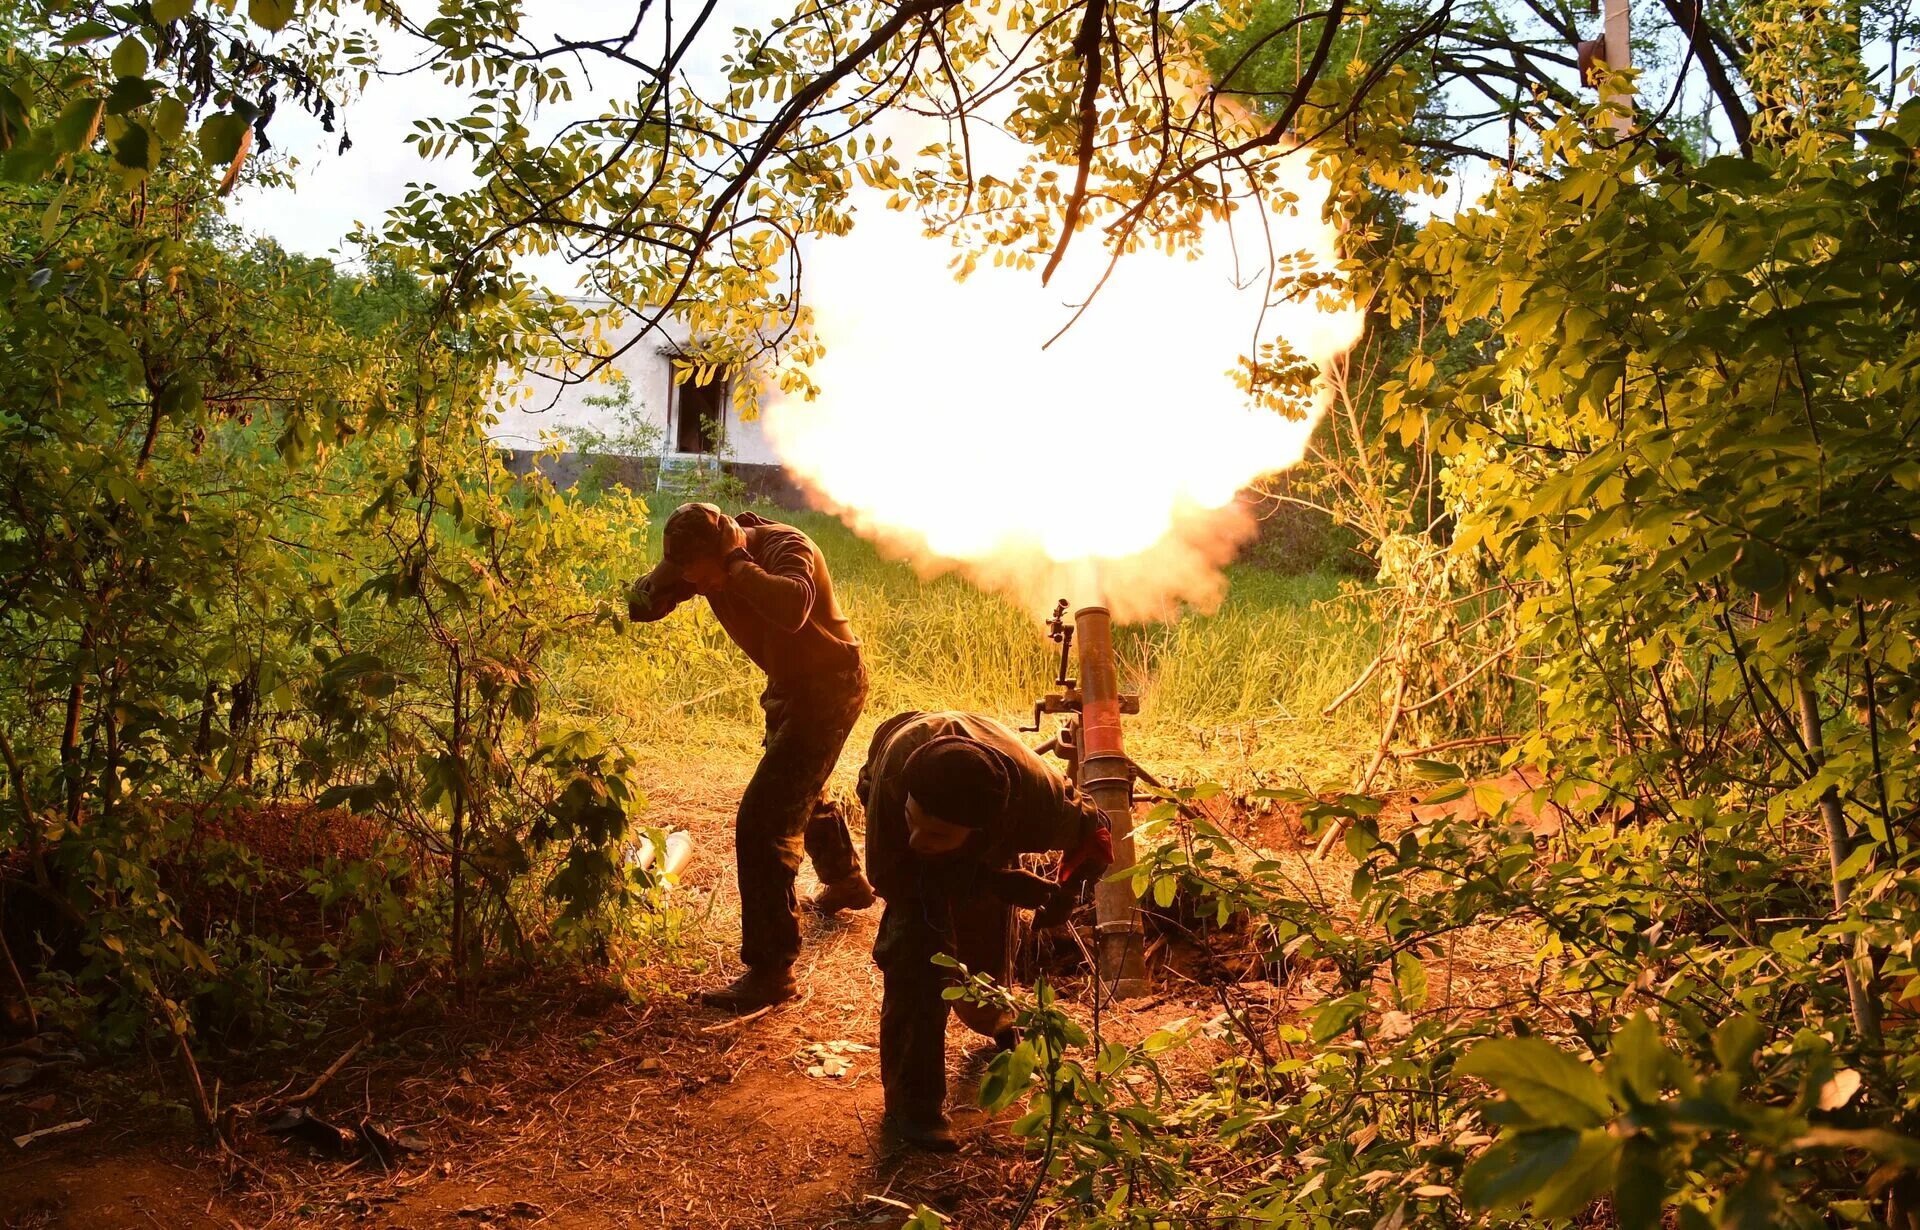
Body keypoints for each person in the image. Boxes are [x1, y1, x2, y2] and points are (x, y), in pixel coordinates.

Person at [628, 503, 878, 1012]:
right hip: (788, 686)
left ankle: (772, 970)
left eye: (703, 576)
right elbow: (641, 606)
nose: (699, 586)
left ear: (727, 551)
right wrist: (667, 575)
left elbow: (792, 608)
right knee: (803, 792)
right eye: (690, 576)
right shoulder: (697, 564)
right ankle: (848, 882)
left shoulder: (786, 546)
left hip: (831, 685)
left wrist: (738, 566)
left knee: (765, 819)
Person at [857, 710, 1113, 1151]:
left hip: (989, 812)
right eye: (913, 820)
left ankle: (995, 1015)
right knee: (917, 944)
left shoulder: (1041, 808)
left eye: (936, 834)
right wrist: (991, 880)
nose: (918, 838)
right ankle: (913, 1106)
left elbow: (1098, 833)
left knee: (986, 922)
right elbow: (894, 876)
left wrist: (1065, 896)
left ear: (982, 833)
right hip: (900, 749)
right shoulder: (897, 783)